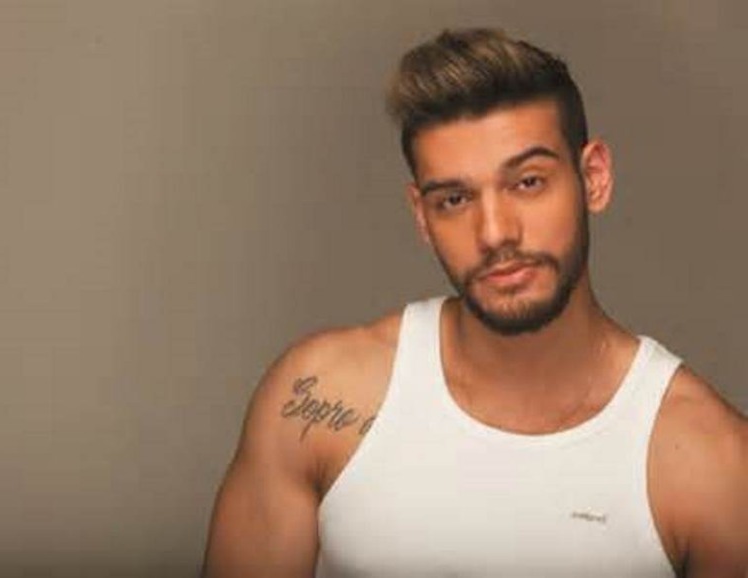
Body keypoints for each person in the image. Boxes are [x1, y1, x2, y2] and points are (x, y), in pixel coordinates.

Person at [202, 28, 747, 577]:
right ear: (422, 216)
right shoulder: (318, 399)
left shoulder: (709, 461)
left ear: (593, 179)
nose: (494, 233)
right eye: (455, 199)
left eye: (528, 182)